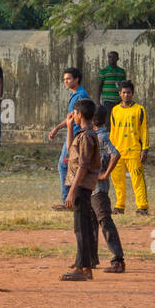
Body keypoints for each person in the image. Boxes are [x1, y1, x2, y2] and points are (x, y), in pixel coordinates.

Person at [61, 98, 100, 281]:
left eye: (74, 113)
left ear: (80, 114)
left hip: (81, 187)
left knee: (81, 228)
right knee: (81, 227)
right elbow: (71, 153)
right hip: (81, 186)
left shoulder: (86, 137)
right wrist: (69, 128)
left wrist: (71, 190)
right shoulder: (83, 134)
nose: (72, 116)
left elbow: (83, 166)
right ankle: (84, 267)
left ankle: (82, 267)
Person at [47, 67, 90, 208]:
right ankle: (72, 200)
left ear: (76, 79)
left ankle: (68, 201)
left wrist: (57, 128)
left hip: (76, 137)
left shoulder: (80, 96)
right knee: (69, 166)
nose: (66, 81)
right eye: (65, 79)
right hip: (73, 135)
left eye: (69, 79)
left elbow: (72, 118)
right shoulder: (75, 94)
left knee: (64, 165)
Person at [91, 105, 125, 273]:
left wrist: (104, 175)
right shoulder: (95, 135)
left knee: (105, 221)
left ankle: (117, 260)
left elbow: (115, 154)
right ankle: (90, 258)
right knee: (92, 223)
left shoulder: (102, 136)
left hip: (99, 189)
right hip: (92, 188)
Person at [109, 80, 149, 215]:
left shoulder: (139, 110)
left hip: (134, 151)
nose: (126, 95)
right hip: (118, 151)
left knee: (137, 179)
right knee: (117, 180)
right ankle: (119, 206)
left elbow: (144, 130)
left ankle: (142, 207)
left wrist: (145, 148)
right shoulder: (115, 110)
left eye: (129, 93)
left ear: (132, 94)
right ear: (120, 94)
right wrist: (110, 150)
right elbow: (113, 132)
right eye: (124, 93)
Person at [97, 51, 126, 117]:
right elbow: (99, 86)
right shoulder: (103, 71)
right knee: (108, 121)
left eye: (114, 57)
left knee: (118, 119)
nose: (111, 59)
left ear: (117, 59)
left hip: (119, 100)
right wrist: (98, 101)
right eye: (109, 57)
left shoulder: (122, 71)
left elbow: (123, 86)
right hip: (107, 101)